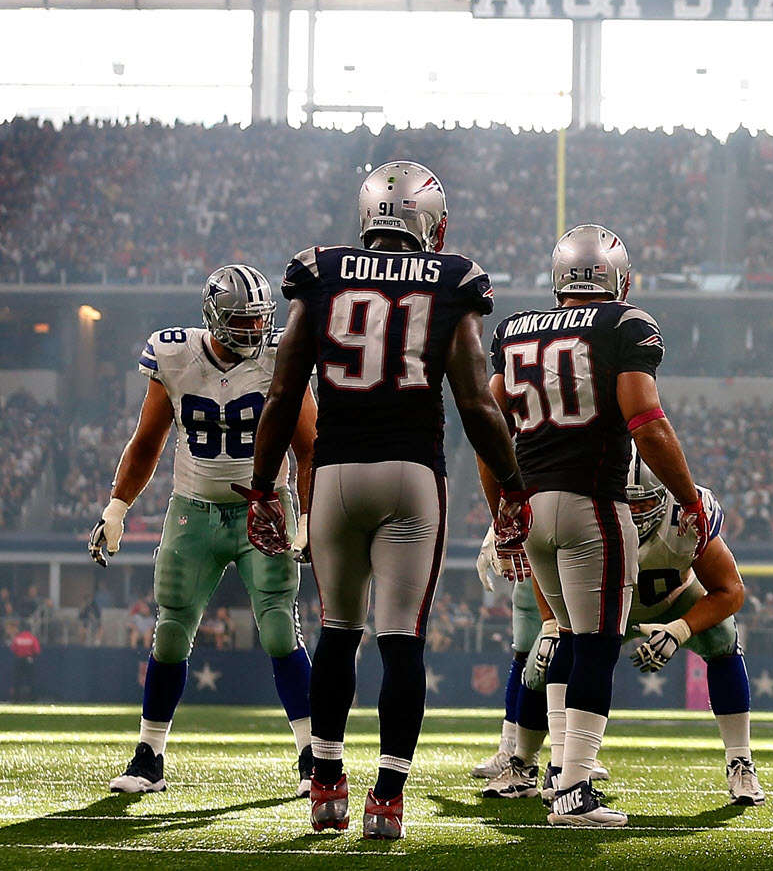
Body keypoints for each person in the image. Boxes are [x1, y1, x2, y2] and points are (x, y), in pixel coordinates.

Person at [246, 160, 529, 840]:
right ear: (431, 222)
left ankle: (327, 787)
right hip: (410, 471)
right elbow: (473, 400)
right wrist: (515, 486)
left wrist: (263, 487)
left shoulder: (320, 269)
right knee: (401, 639)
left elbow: (284, 393)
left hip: (337, 473)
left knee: (338, 631)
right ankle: (387, 800)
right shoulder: (451, 276)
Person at [486, 224, 706, 827]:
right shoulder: (624, 325)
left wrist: (500, 508)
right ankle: (574, 790)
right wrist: (687, 497)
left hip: (531, 506)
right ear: (618, 278)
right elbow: (646, 420)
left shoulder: (513, 331)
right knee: (597, 644)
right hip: (591, 506)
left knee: (561, 633)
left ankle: (559, 770)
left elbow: (489, 431)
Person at [95, 265, 317, 797]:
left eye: (260, 320)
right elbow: (147, 439)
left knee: (280, 630)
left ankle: (314, 753)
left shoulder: (279, 355)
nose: (254, 331)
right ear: (214, 318)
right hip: (192, 509)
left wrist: (305, 517)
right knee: (170, 632)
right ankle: (150, 755)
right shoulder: (174, 355)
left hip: (263, 512)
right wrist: (118, 505)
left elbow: (309, 444)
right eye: (242, 321)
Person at [619, 467, 764, 805]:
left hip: (674, 600)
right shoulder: (590, 511)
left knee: (722, 636)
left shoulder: (686, 514)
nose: (637, 513)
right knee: (549, 657)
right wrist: (555, 625)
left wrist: (679, 629)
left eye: (645, 504)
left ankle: (740, 761)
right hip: (609, 606)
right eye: (629, 505)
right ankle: (536, 760)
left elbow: (731, 591)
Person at [468, 534, 551, 798]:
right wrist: (495, 529)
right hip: (533, 557)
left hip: (574, 545)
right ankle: (510, 749)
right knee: (525, 654)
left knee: (581, 648)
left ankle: (574, 758)